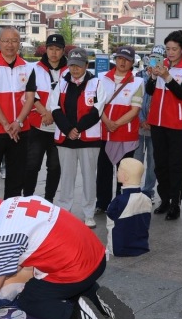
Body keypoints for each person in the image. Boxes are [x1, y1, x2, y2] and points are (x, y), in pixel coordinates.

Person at [0, 187, 135, 319]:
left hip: (76, 271)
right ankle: (95, 297)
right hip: (97, 257)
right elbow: (26, 249)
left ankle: (78, 315)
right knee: (55, 281)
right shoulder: (18, 202)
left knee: (30, 298)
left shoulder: (2, 235)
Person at [144, 30, 182, 221]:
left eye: (174, 49)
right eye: (168, 49)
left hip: (178, 125)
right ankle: (165, 200)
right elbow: (149, 91)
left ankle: (176, 203)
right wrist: (153, 76)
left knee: (176, 166)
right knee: (160, 165)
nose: (170, 52)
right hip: (157, 123)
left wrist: (167, 77)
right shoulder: (161, 64)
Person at [0, 26, 36, 199]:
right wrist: (5, 123)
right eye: (6, 41)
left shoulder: (28, 68)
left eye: (14, 41)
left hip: (20, 130)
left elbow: (30, 98)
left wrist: (18, 122)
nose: (10, 45)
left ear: (19, 43)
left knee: (17, 178)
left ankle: (11, 212)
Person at [48, 48, 103, 227]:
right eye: (72, 65)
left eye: (79, 65)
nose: (75, 69)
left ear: (86, 65)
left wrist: (77, 129)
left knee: (89, 178)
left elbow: (97, 111)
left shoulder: (96, 83)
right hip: (66, 139)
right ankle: (65, 211)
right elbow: (55, 108)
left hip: (89, 139)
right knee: (66, 177)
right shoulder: (61, 83)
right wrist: (68, 129)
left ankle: (88, 213)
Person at [95, 46, 144, 216]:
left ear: (132, 63)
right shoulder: (101, 78)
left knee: (124, 171)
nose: (123, 62)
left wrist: (115, 124)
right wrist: (107, 122)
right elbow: (97, 104)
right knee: (103, 170)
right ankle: (102, 203)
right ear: (115, 60)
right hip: (104, 132)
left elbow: (135, 110)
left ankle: (120, 203)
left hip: (126, 134)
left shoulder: (137, 82)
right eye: (120, 58)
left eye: (127, 60)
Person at [23, 34, 67, 201]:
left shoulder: (69, 70)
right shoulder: (34, 68)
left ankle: (49, 201)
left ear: (63, 51)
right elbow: (29, 94)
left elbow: (70, 98)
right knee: (32, 165)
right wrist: (45, 113)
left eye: (57, 49)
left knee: (55, 167)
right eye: (51, 49)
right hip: (37, 125)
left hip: (59, 128)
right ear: (46, 50)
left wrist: (54, 115)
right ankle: (27, 199)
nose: (54, 53)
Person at [106, 158, 152, 257]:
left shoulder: (119, 201)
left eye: (119, 170)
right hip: (142, 246)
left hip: (119, 249)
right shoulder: (147, 197)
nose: (117, 172)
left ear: (125, 176)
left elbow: (110, 217)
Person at [133, 52, 160, 201]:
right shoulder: (137, 77)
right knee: (136, 161)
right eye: (151, 61)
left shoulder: (163, 78)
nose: (153, 64)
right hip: (138, 126)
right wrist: (142, 120)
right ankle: (134, 189)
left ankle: (149, 191)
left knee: (153, 162)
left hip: (155, 128)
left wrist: (151, 121)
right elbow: (134, 101)